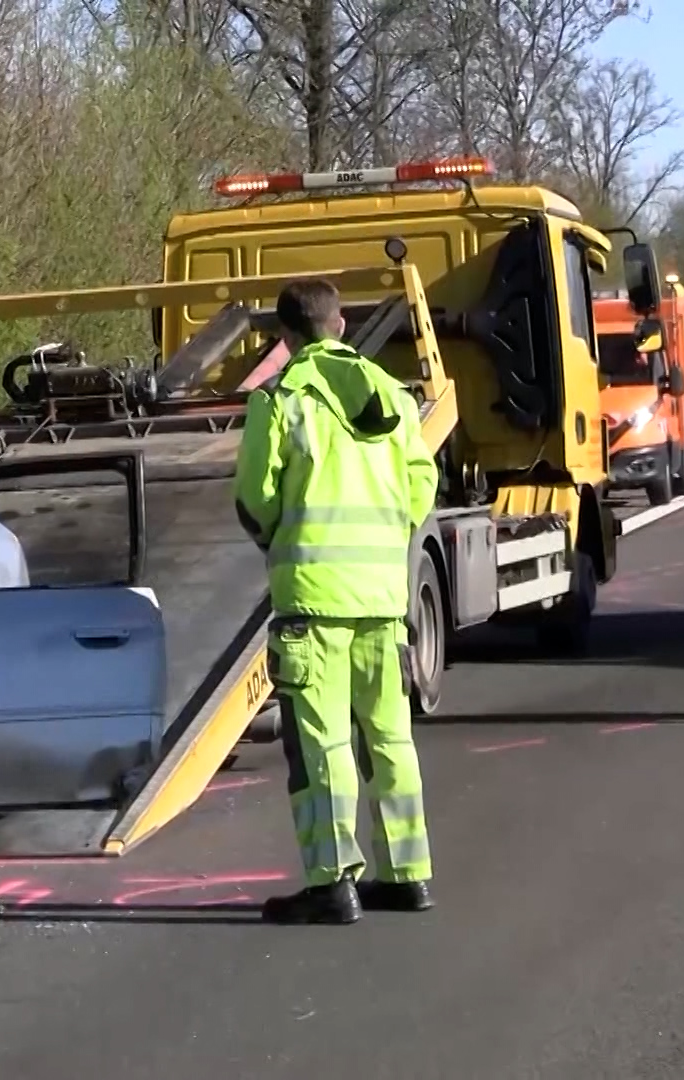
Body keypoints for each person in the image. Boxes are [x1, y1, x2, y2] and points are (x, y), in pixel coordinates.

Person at [233, 277, 439, 925]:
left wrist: (282, 535)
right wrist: (384, 538)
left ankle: (332, 883)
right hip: (382, 594)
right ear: (342, 324)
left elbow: (254, 497)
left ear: (284, 337)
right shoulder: (392, 396)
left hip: (313, 599)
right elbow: (420, 484)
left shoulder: (280, 399)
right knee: (389, 736)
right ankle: (408, 874)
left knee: (323, 745)